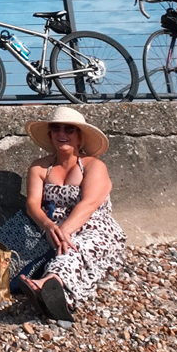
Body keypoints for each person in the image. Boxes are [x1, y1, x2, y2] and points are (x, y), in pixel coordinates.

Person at [19, 106, 125, 322]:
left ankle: (51, 285)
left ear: (79, 136)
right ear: (50, 135)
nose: (62, 134)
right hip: (52, 228)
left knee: (75, 248)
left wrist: (64, 232)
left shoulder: (94, 166)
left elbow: (89, 204)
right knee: (57, 246)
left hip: (94, 227)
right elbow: (32, 204)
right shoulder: (40, 168)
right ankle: (53, 291)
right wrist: (49, 226)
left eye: (69, 129)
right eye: (56, 129)